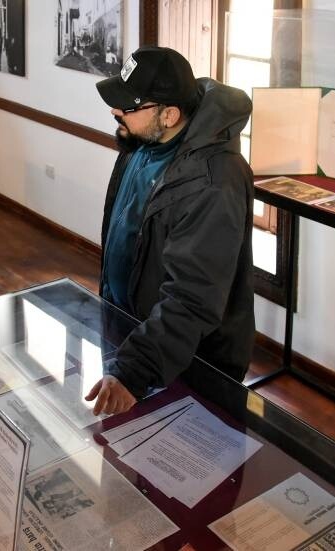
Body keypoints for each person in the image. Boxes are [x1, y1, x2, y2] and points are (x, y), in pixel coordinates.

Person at [85, 46, 255, 415]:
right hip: (132, 334)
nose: (116, 111)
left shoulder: (213, 181)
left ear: (170, 114)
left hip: (185, 361)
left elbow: (192, 296)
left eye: (128, 106)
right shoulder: (142, 143)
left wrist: (135, 369)